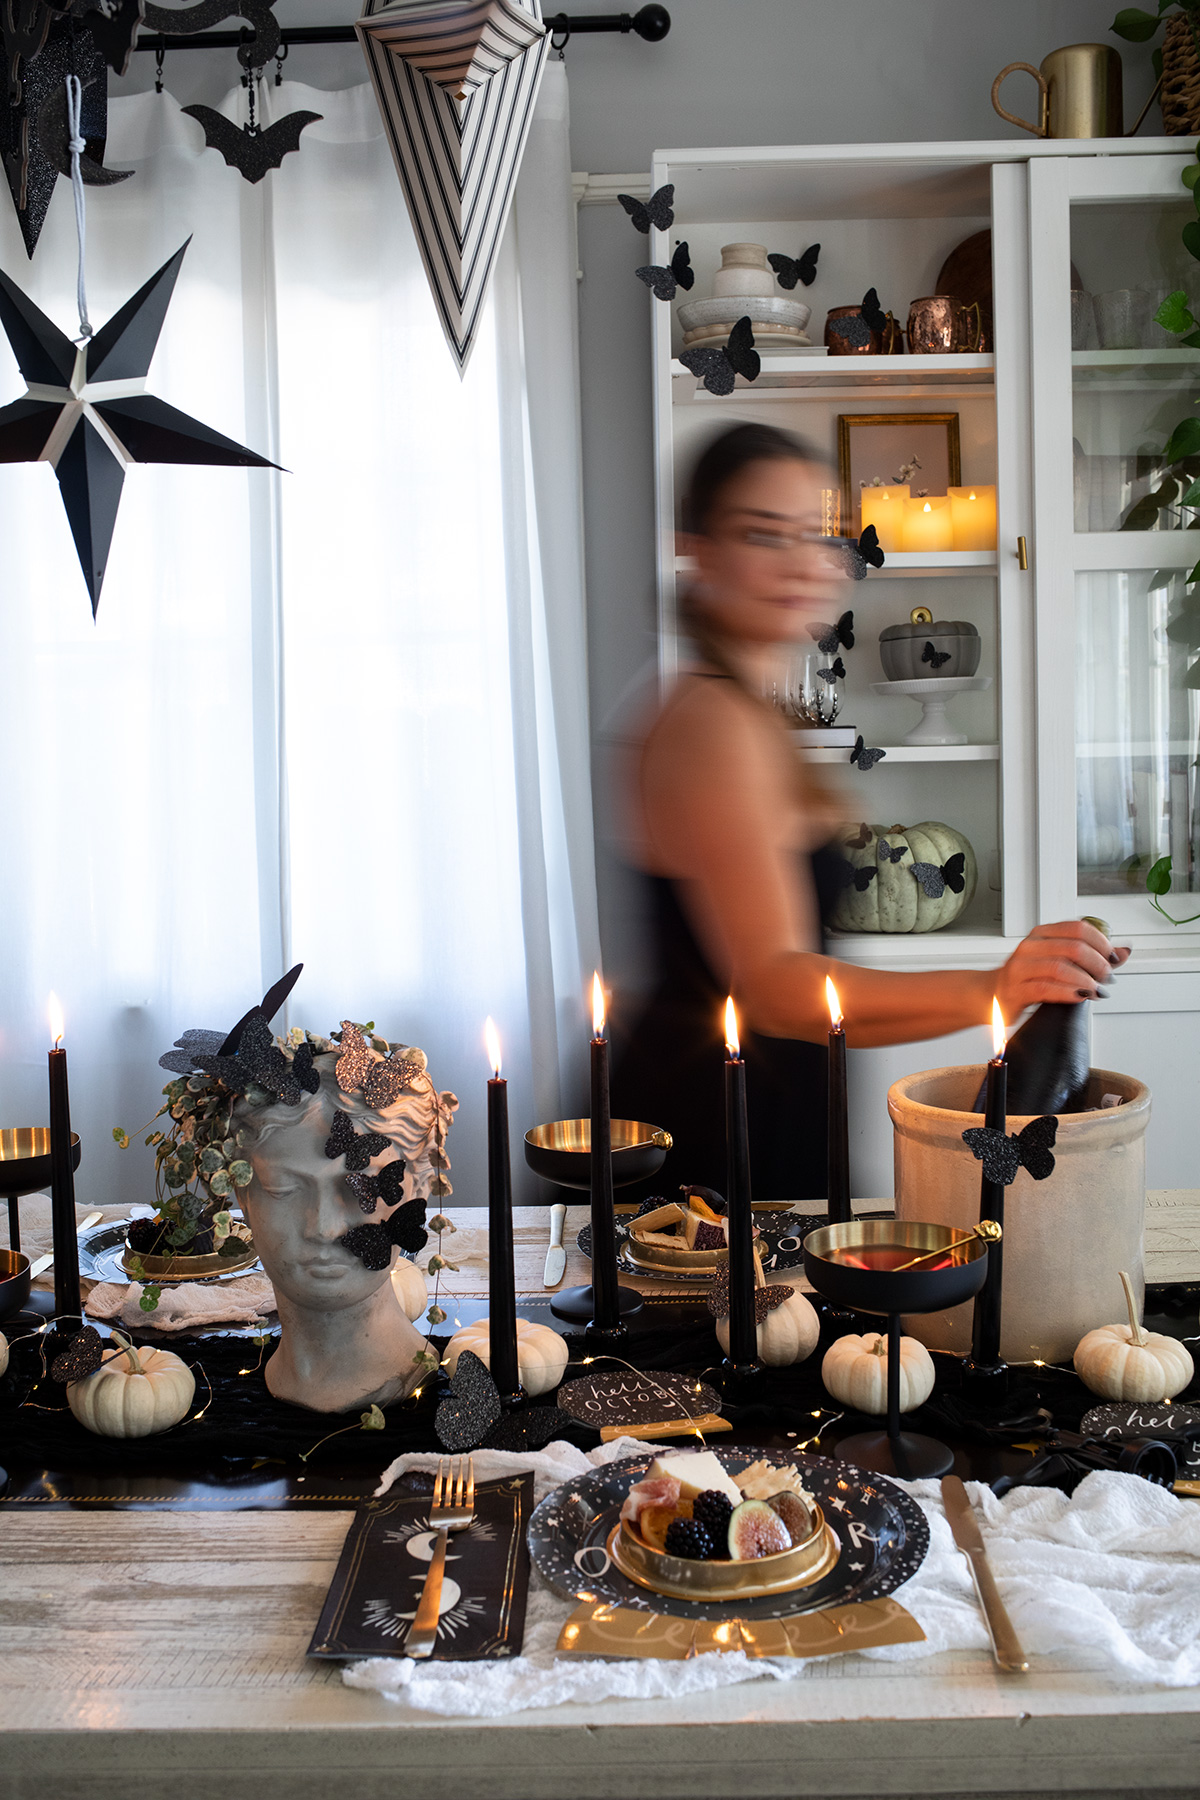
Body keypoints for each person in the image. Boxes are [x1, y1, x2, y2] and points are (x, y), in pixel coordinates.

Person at [610, 422, 1128, 1202]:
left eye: (813, 535)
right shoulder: (712, 724)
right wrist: (995, 984)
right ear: (701, 548)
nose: (801, 564)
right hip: (709, 1137)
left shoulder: (730, 707)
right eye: (762, 534)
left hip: (752, 1105)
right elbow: (775, 986)